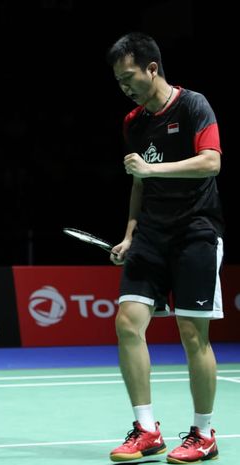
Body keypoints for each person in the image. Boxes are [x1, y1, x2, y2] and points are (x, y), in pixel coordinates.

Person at [105, 32, 223, 463]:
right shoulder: (133, 122)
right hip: (151, 235)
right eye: (118, 80)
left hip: (195, 230)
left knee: (194, 336)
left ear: (152, 68)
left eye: (129, 77)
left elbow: (212, 161)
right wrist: (130, 234)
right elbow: (139, 185)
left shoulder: (194, 105)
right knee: (127, 324)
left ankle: (204, 433)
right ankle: (146, 429)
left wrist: (154, 168)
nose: (124, 86)